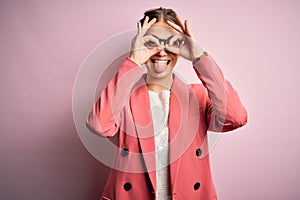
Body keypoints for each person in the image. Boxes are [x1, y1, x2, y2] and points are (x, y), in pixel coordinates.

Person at [86, 7, 247, 200]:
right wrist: (133, 60)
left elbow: (236, 117)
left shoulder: (198, 96)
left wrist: (199, 57)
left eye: (171, 42)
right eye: (152, 42)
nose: (161, 52)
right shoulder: (123, 99)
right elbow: (99, 125)